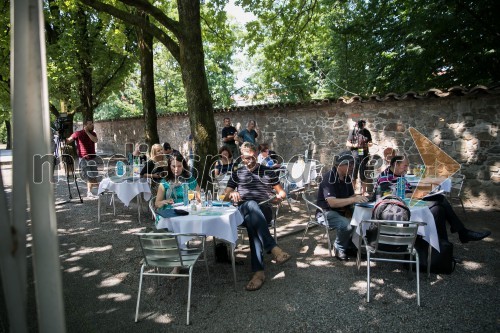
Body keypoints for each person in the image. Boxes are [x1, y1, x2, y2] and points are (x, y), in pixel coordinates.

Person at [375, 156, 491, 243]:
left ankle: (445, 247)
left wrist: (418, 193)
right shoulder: (385, 176)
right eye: (404, 166)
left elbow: (408, 189)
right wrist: (414, 194)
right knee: (440, 200)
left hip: (410, 201)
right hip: (400, 207)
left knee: (440, 208)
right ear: (396, 164)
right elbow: (389, 194)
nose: (406, 168)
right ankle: (462, 233)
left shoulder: (399, 175)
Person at [224, 142, 291, 291]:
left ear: (256, 154)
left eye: (253, 157)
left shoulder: (268, 171)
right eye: (247, 158)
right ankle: (273, 248)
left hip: (264, 210)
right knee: (250, 204)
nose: (250, 160)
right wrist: (231, 193)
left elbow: (282, 192)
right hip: (242, 209)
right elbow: (223, 196)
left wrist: (279, 196)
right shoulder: (237, 173)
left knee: (252, 221)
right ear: (242, 157)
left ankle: (259, 273)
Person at [316, 151, 369, 260]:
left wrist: (363, 199)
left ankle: (350, 245)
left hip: (342, 211)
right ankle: (338, 247)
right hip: (325, 212)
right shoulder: (328, 177)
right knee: (347, 225)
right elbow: (332, 203)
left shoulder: (347, 178)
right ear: (339, 165)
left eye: (353, 164)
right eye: (349, 164)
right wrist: (354, 199)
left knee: (362, 218)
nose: (352, 167)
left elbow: (351, 196)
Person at [67, 119, 99, 199]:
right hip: (84, 158)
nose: (92, 125)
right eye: (90, 124)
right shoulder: (78, 133)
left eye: (92, 124)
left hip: (92, 158)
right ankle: (91, 191)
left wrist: (87, 132)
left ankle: (96, 189)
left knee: (94, 175)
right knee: (89, 176)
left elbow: (95, 140)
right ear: (85, 125)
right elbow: (68, 140)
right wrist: (63, 138)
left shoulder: (93, 133)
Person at [346, 120, 373, 195]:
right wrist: (355, 145)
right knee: (353, 173)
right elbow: (347, 143)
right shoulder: (353, 131)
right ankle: (352, 192)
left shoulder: (367, 132)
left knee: (363, 173)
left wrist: (367, 145)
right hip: (355, 153)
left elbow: (370, 142)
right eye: (362, 125)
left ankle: (364, 192)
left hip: (364, 153)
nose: (363, 126)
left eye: (364, 125)